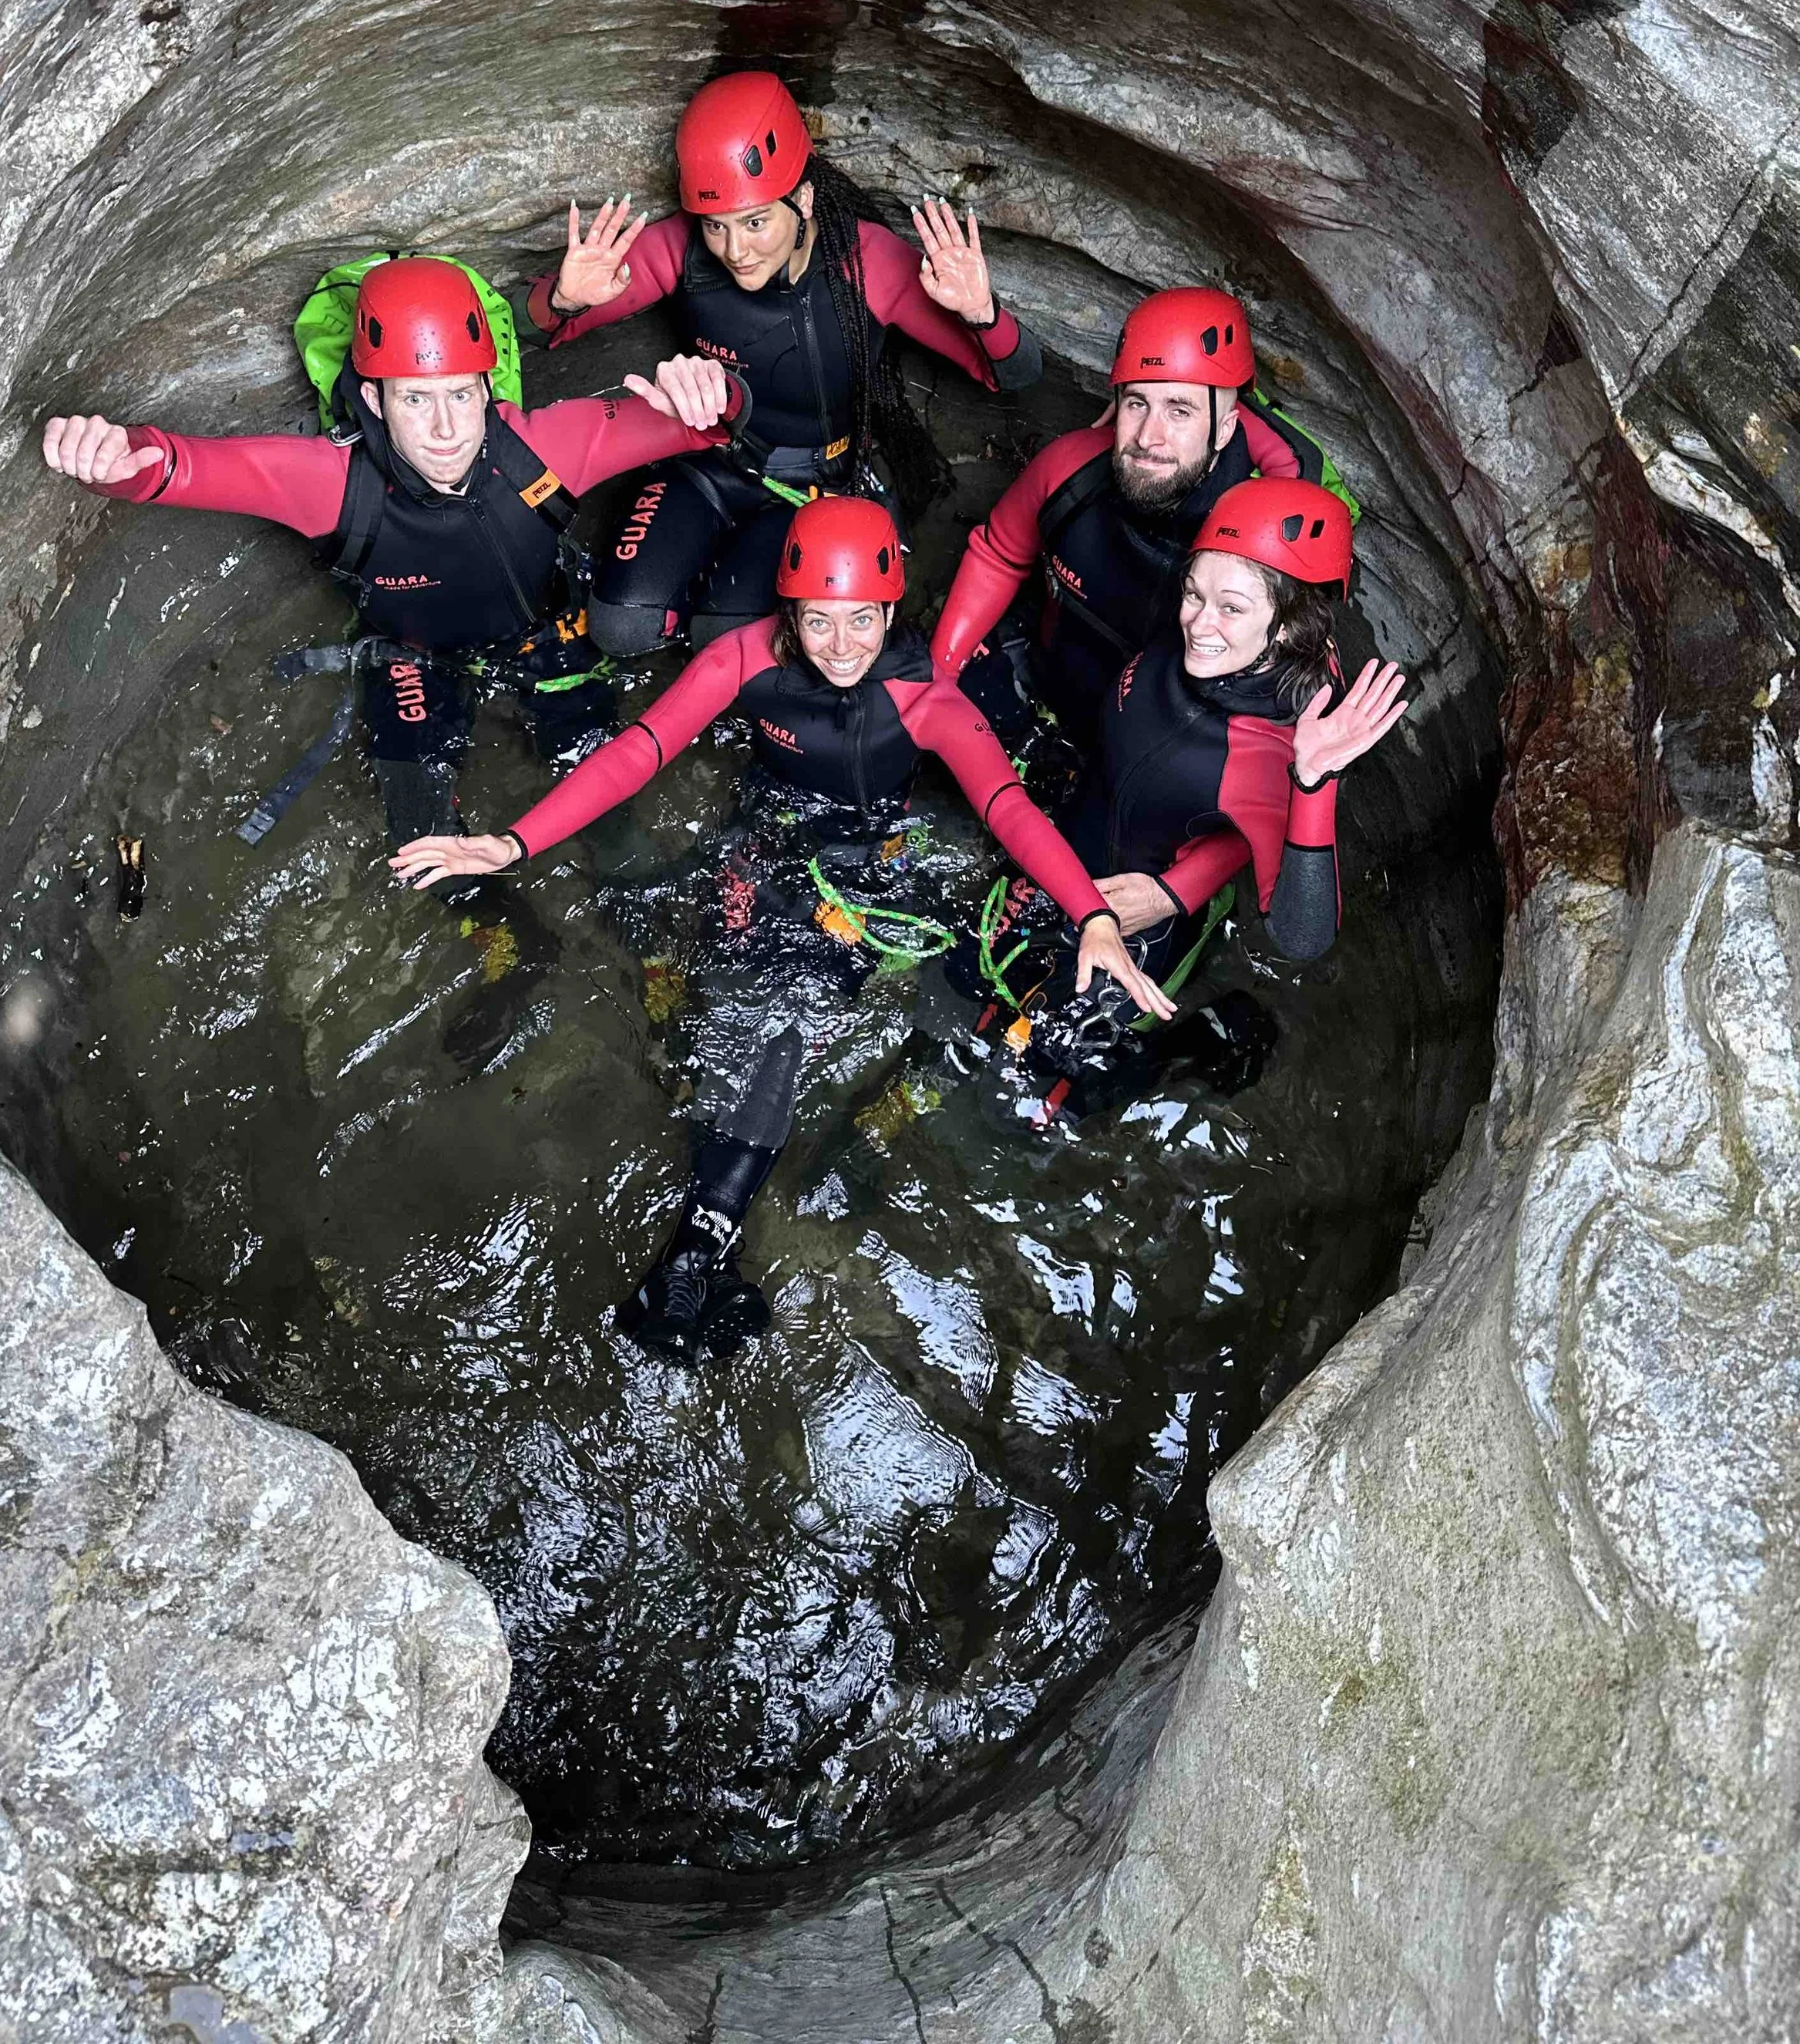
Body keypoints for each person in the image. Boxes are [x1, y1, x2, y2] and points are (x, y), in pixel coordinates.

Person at [389, 496, 1169, 1362]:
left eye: (862, 622)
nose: (840, 648)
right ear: (789, 613)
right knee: (713, 1013)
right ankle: (700, 1242)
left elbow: (1006, 805)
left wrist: (1091, 915)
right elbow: (642, 749)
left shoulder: (925, 700)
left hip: (874, 864)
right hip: (766, 836)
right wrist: (512, 841)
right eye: (818, 623)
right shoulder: (743, 660)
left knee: (790, 1017)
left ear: (890, 611)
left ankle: (696, 1245)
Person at [41, 255, 754, 847]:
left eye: (460, 397)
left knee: (606, 811)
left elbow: (713, 427)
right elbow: (184, 466)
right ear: (376, 401)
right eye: (415, 400)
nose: (445, 429)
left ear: (487, 388)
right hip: (413, 657)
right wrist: (113, 458)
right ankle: (511, 950)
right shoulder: (329, 483)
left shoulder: (547, 446)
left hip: (544, 635)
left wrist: (711, 393)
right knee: (424, 848)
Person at [525, 70, 1045, 655]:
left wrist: (982, 313)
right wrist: (565, 297)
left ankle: (718, 590)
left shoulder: (866, 264)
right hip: (708, 462)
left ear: (803, 198)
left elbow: (1016, 374)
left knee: (724, 641)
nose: (735, 250)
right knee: (622, 630)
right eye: (715, 226)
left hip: (813, 483)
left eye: (755, 222)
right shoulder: (681, 250)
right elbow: (531, 328)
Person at [977, 476, 1407, 1119]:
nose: (1199, 623)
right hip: (1072, 846)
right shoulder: (1194, 636)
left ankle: (1207, 1041)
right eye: (1193, 592)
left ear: (1289, 627)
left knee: (1060, 1096)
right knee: (973, 997)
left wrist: (1311, 784)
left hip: (1145, 920)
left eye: (1231, 608)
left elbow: (1301, 934)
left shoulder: (1277, 747)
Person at [930, 286, 1345, 751]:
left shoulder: (1262, 542)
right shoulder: (1072, 470)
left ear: (1228, 429)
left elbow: (1301, 480)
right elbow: (998, 555)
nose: (1149, 437)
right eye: (1137, 403)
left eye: (1180, 410)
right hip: (1046, 684)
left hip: (1149, 750)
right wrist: (938, 681)